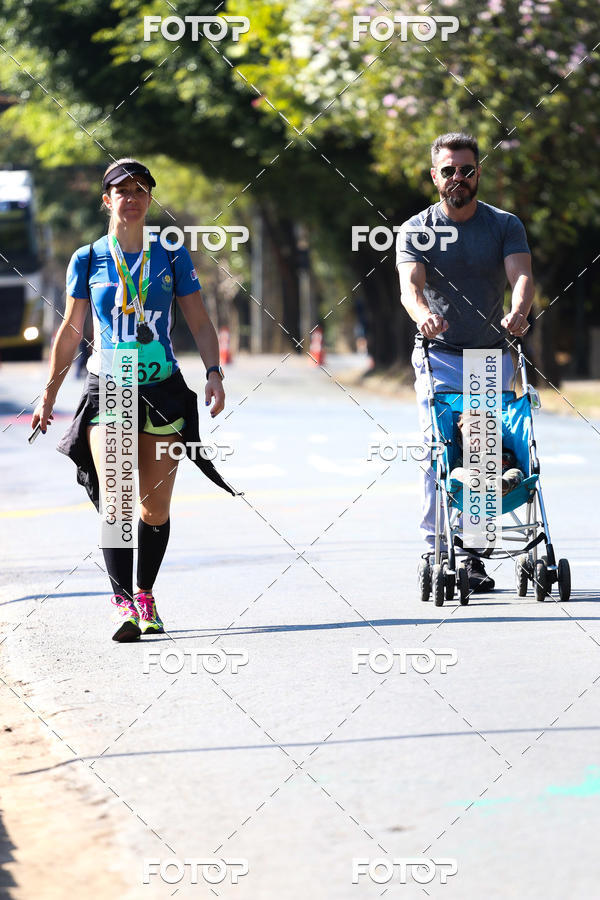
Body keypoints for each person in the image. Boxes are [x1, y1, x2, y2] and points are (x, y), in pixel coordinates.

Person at [31, 158, 236, 641]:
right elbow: (71, 330)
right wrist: (48, 394)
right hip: (112, 381)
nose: (133, 197)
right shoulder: (88, 258)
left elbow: (200, 321)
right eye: (122, 190)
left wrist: (213, 372)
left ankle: (145, 593)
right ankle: (123, 602)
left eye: (142, 189)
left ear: (149, 198)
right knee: (118, 497)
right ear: (107, 200)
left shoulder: (170, 254)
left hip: (162, 383)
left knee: (154, 508)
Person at [397, 132, 534, 592]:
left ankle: (474, 553)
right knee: (439, 448)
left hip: (488, 355)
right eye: (449, 170)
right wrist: (423, 316)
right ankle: (437, 545)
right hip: (440, 356)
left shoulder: (503, 225)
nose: (459, 178)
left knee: (482, 448)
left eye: (467, 170)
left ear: (478, 174)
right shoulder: (417, 228)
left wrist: (518, 312)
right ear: (435, 176)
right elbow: (410, 289)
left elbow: (521, 276)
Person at [449, 412, 525, 497]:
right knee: (456, 472)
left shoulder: (504, 454)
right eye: (469, 435)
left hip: (502, 483)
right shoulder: (464, 460)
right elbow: (454, 474)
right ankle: (475, 482)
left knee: (517, 472)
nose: (475, 439)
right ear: (460, 443)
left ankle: (504, 485)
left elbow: (518, 469)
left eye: (480, 433)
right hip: (473, 485)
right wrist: (469, 475)